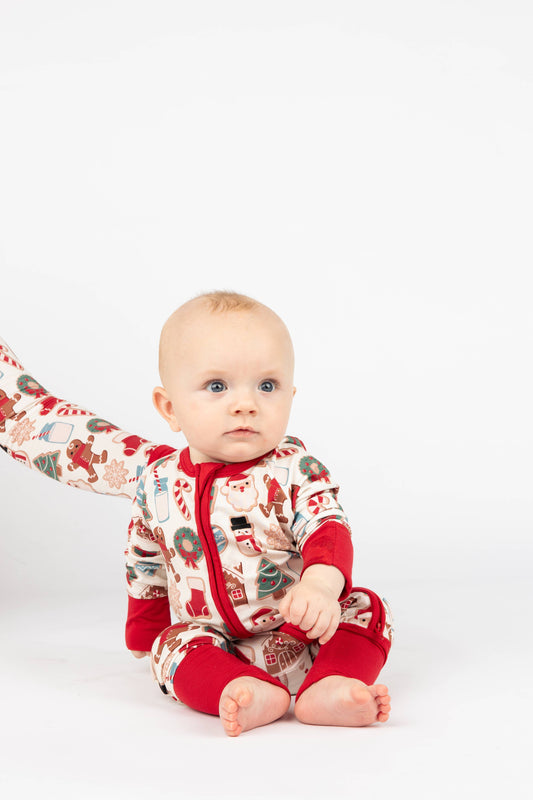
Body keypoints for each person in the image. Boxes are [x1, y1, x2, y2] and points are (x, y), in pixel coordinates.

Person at [0, 291, 392, 736]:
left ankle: (331, 683)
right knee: (169, 649)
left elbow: (328, 527)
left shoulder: (293, 471)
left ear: (291, 395)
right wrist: (145, 629)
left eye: (268, 386)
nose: (245, 403)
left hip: (302, 631)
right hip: (216, 644)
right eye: (217, 387)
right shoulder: (159, 483)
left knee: (366, 608)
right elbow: (145, 560)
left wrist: (321, 586)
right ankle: (240, 689)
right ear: (170, 408)